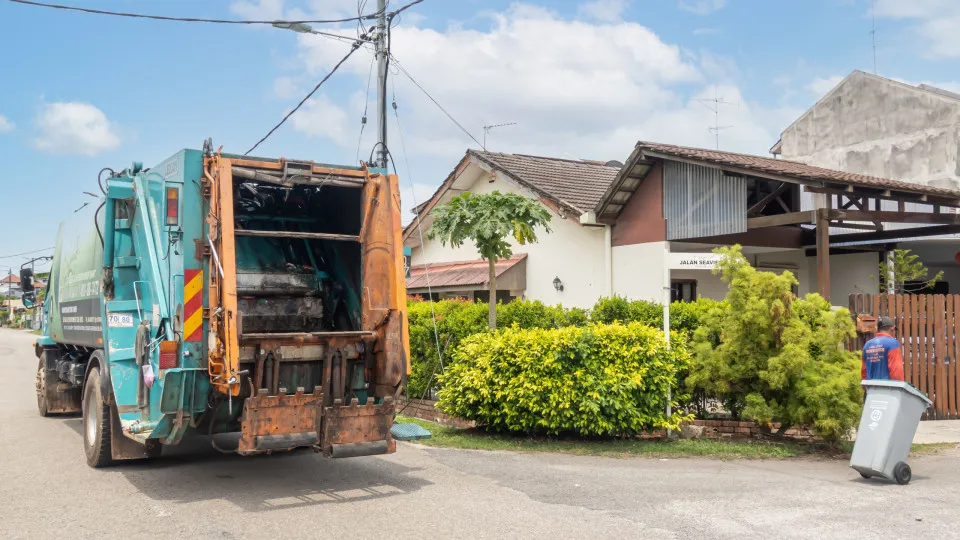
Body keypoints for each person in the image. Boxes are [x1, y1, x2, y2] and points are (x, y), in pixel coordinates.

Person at [861, 316, 904, 381]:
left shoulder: (867, 345)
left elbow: (864, 370)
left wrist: (865, 388)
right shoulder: (892, 344)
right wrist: (899, 387)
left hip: (870, 388)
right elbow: (896, 370)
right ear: (892, 328)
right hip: (887, 389)